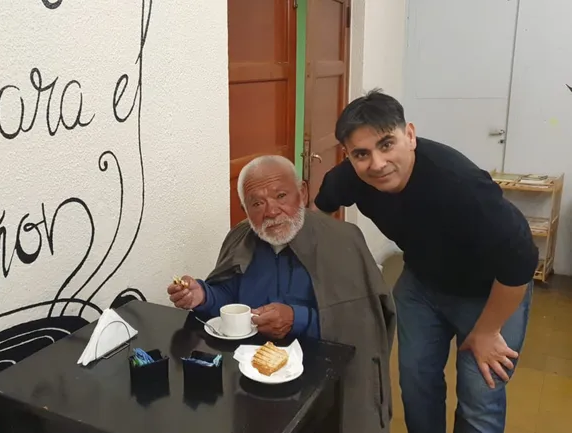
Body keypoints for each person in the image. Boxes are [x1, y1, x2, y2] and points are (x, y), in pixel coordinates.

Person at [314, 89, 538, 433]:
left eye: (387, 144)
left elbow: (521, 261)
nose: (376, 164)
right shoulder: (349, 177)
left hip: (491, 292)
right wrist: (333, 269)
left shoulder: (461, 186)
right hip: (422, 285)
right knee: (417, 384)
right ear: (349, 155)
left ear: (411, 136)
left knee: (481, 396)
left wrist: (489, 330)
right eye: (361, 153)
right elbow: (320, 214)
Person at [167, 155, 396, 433]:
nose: (271, 211)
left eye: (281, 195)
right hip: (250, 379)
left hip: (324, 384)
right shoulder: (241, 239)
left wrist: (297, 319)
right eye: (257, 203)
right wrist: (202, 296)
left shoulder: (343, 240)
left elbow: (363, 323)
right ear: (245, 209)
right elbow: (232, 303)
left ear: (302, 192)